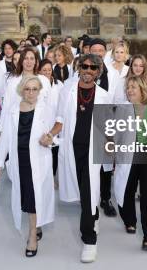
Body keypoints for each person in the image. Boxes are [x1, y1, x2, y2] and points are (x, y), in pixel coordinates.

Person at [50, 54, 113, 263]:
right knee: (81, 191)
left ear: (98, 71)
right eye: (84, 66)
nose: (88, 70)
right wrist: (49, 135)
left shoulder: (104, 95)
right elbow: (60, 119)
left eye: (93, 67)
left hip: (92, 151)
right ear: (79, 68)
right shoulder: (67, 91)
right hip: (71, 148)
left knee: (88, 191)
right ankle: (93, 216)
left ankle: (89, 240)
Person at [0, 75, 55, 257]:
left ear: (39, 91)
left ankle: (32, 236)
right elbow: (5, 138)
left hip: (37, 160)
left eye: (34, 89)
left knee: (33, 196)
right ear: (22, 90)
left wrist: (49, 140)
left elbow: (53, 134)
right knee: (27, 196)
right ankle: (35, 225)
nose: (31, 92)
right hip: (19, 160)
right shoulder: (13, 109)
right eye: (27, 89)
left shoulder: (46, 110)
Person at [113, 76, 147, 251]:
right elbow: (116, 134)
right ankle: (129, 221)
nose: (130, 90)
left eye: (134, 87)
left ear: (142, 90)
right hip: (128, 156)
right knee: (127, 189)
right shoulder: (124, 108)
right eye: (128, 87)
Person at [89, 39, 117, 218]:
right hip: (88, 123)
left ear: (105, 53)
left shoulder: (113, 74)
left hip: (108, 123)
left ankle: (105, 199)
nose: (98, 53)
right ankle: (89, 199)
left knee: (106, 165)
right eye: (95, 50)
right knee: (90, 164)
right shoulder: (81, 71)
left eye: (101, 50)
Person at [2, 48, 50, 115]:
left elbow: (49, 106)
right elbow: (6, 106)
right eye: (26, 58)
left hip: (40, 121)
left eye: (32, 58)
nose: (29, 62)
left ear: (36, 61)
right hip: (17, 121)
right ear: (21, 61)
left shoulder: (44, 81)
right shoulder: (12, 83)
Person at [38, 59, 64, 185]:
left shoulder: (59, 84)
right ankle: (42, 176)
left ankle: (52, 176)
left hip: (56, 122)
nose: (47, 72)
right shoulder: (37, 84)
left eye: (49, 69)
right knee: (42, 148)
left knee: (54, 149)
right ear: (39, 71)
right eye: (44, 70)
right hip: (42, 121)